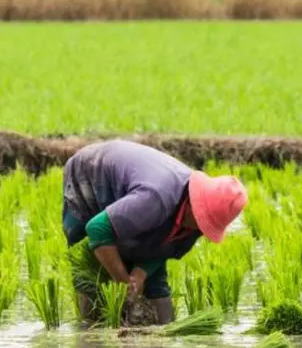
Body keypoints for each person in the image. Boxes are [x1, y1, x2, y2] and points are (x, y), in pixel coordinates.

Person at [61, 139, 248, 325]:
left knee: (154, 284)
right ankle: (88, 331)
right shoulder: (155, 198)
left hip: (139, 194)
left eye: (207, 225)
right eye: (202, 221)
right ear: (193, 204)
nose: (201, 229)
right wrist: (123, 281)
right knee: (89, 273)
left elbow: (163, 249)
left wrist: (139, 275)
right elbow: (97, 229)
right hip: (91, 173)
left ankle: (161, 337)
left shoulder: (193, 224)